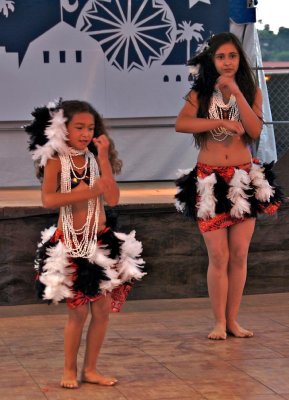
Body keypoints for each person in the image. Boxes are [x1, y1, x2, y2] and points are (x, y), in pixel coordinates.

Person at [25, 99, 146, 388]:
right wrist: (89, 192)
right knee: (77, 313)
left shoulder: (94, 158)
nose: (85, 133)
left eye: (90, 128)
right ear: (62, 129)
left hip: (99, 245)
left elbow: (113, 198)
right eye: (79, 127)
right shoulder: (57, 160)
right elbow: (49, 200)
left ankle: (90, 369)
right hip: (70, 243)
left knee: (102, 311)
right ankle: (69, 369)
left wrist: (103, 158)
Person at [175, 32, 283, 340]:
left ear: (240, 60)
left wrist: (236, 93)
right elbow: (182, 124)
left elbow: (254, 130)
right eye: (220, 56)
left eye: (232, 56)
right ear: (212, 60)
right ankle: (218, 322)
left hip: (242, 179)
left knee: (239, 254)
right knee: (218, 256)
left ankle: (233, 321)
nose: (226, 62)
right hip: (209, 180)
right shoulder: (200, 93)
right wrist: (218, 123)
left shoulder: (251, 91)